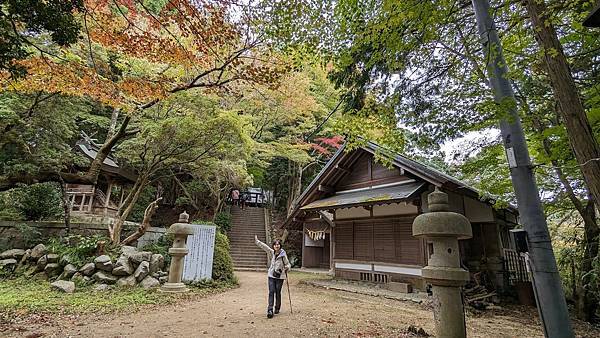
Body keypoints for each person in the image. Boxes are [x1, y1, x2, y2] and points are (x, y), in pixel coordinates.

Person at [254, 235, 291, 318]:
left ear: (280, 246)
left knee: (277, 292)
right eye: (275, 244)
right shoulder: (271, 252)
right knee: (271, 292)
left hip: (280, 276)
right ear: (273, 246)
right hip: (271, 275)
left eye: (278, 244)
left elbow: (288, 264)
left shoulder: (283, 255)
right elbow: (265, 247)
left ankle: (277, 307)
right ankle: (270, 310)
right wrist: (257, 241)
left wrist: (287, 267)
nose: (276, 246)